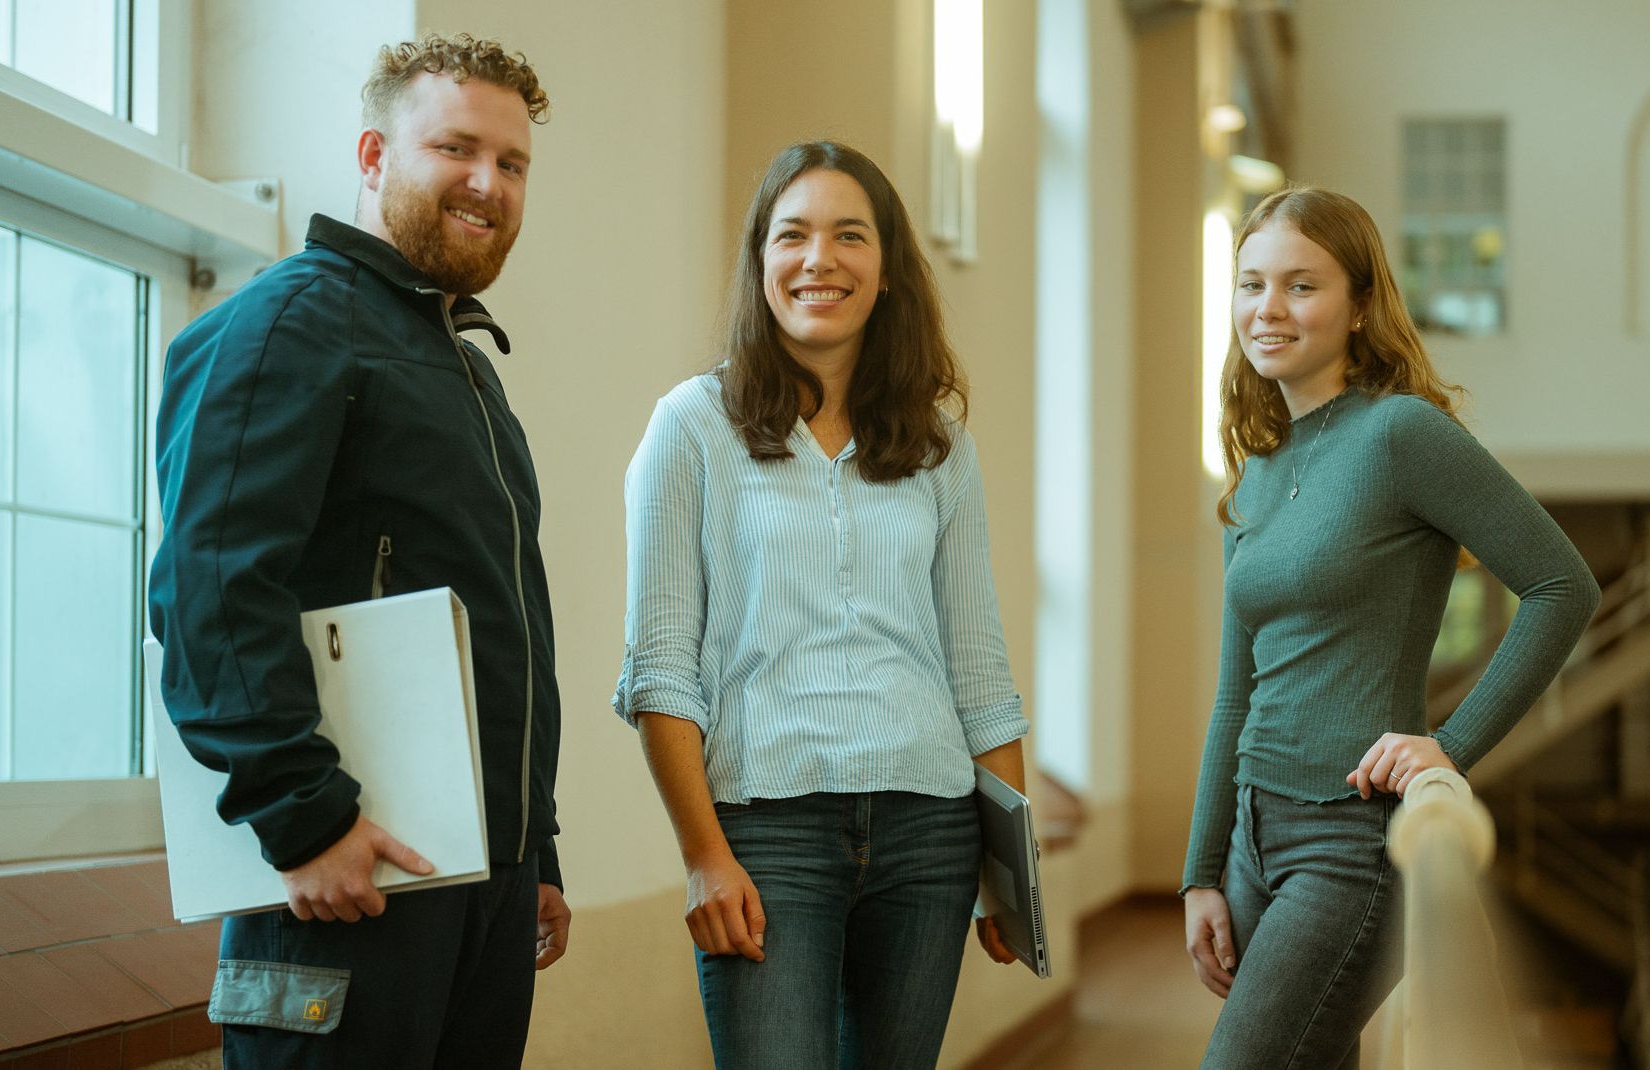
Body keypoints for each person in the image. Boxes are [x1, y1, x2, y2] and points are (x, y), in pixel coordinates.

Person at [148, 33, 569, 1068]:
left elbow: (499, 632)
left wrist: (534, 849)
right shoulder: (289, 323)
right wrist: (301, 818)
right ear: (375, 156)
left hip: (478, 887)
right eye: (457, 149)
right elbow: (211, 591)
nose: (489, 183)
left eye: (512, 163)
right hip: (341, 887)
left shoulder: (462, 369)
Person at [614, 139, 1029, 1070]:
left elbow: (979, 669)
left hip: (931, 829)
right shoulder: (691, 427)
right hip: (766, 831)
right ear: (761, 261)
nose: (819, 259)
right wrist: (702, 855)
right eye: (792, 235)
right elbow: (660, 669)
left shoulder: (940, 448)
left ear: (887, 272)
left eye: (851, 236)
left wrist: (1011, 874)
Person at [1180, 187, 1600, 1069]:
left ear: (1361, 305)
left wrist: (1451, 744)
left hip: (1350, 842)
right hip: (1255, 837)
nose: (1269, 308)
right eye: (1251, 284)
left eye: (1302, 285)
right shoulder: (1258, 468)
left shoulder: (1402, 435)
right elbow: (1235, 693)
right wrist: (1200, 872)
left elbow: (1563, 587)